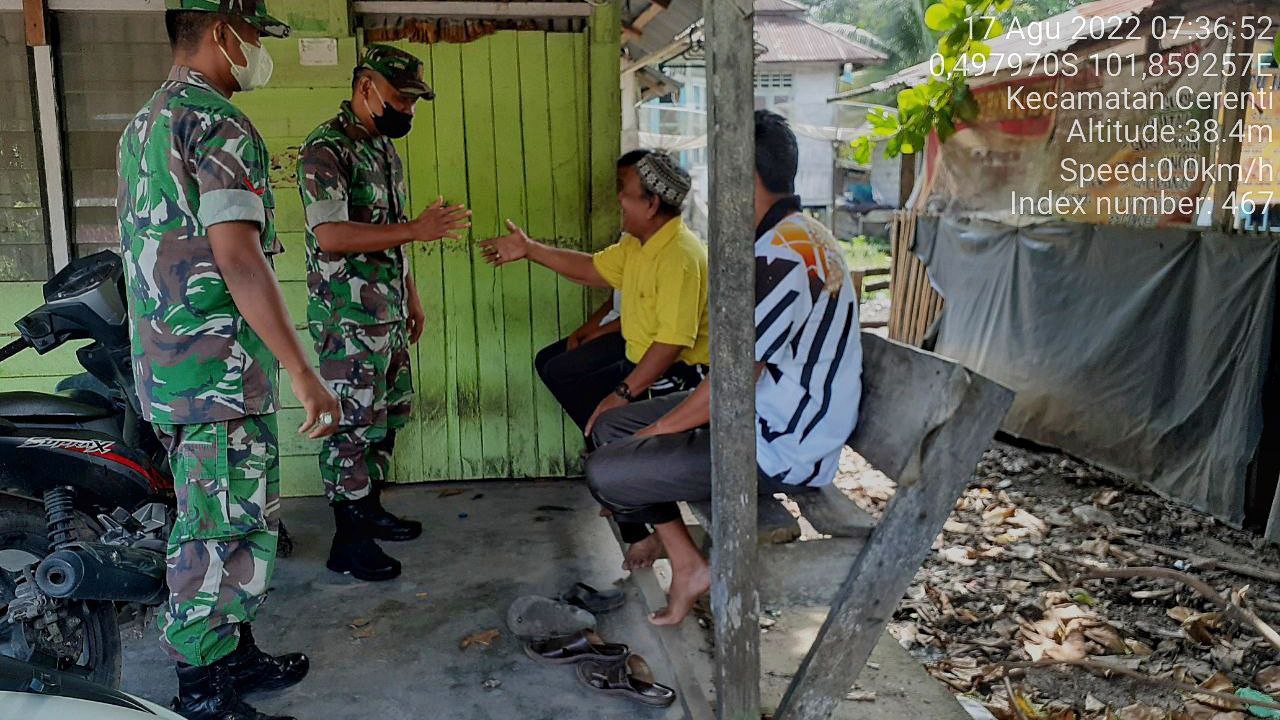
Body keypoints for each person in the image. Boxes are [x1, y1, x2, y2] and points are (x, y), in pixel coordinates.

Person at [117, 2, 341, 718]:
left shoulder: (145, 122)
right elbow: (239, 259)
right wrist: (304, 373)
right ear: (221, 34)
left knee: (227, 519)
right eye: (255, 37)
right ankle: (202, 690)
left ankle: (233, 654)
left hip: (172, 371)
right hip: (214, 374)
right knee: (217, 532)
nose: (260, 53)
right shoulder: (215, 121)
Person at [585, 110, 863, 626]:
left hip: (782, 444)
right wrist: (646, 429)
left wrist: (656, 431)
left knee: (609, 470)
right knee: (610, 429)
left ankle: (690, 565)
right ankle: (685, 559)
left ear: (743, 174)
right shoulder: (790, 236)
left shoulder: (785, 254)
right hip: (760, 414)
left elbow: (730, 386)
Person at [480, 150, 711, 569]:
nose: (618, 200)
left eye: (625, 194)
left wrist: (623, 393)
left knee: (611, 429)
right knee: (573, 384)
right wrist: (529, 250)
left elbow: (672, 344)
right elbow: (592, 270)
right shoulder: (639, 243)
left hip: (680, 379)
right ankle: (623, 494)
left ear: (651, 203)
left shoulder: (680, 255)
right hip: (642, 361)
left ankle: (644, 525)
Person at [297, 44, 471, 582]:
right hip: (348, 320)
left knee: (387, 419)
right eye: (401, 99)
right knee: (349, 427)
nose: (409, 111)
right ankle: (348, 541)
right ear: (366, 87)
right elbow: (330, 235)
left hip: (387, 314)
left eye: (415, 102)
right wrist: (417, 230)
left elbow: (390, 234)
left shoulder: (382, 150)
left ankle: (367, 507)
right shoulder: (328, 149)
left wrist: (411, 294)